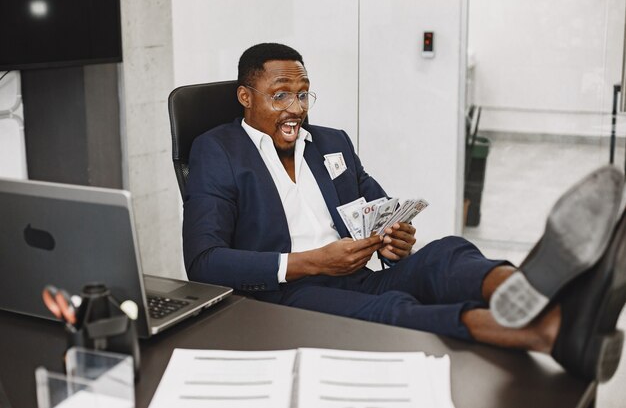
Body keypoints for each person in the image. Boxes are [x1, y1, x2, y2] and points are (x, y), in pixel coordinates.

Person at [183, 42, 626, 381]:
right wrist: (312, 261)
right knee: (394, 309)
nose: (296, 109)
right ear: (245, 96)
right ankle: (547, 330)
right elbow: (204, 262)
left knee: (447, 253)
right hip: (286, 295)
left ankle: (529, 292)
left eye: (303, 95)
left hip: (356, 274)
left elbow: (382, 209)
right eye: (280, 96)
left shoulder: (331, 141)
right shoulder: (218, 151)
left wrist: (397, 238)